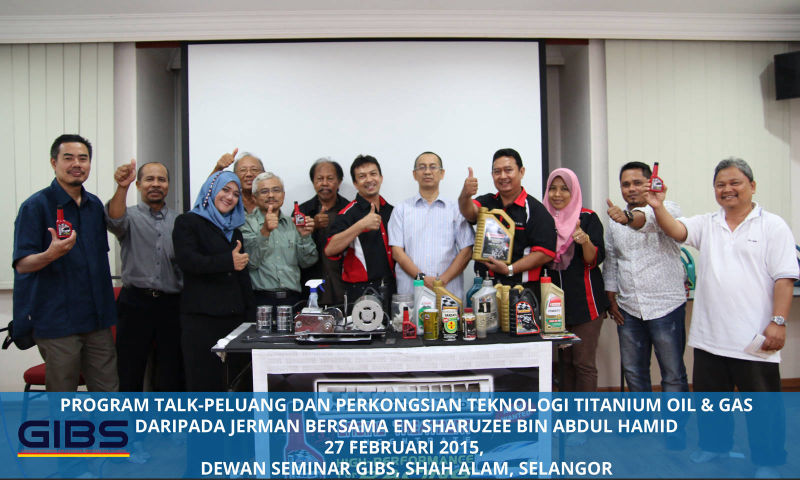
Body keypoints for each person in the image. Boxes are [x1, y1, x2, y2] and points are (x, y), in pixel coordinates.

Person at [646, 157, 798, 475]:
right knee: (711, 402)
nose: (727, 189)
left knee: (763, 408)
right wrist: (657, 206)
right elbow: (677, 230)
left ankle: (768, 461)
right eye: (720, 185)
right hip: (710, 336)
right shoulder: (708, 223)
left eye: (734, 183)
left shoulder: (772, 226)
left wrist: (778, 322)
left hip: (754, 337)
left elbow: (784, 278)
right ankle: (715, 446)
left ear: (752, 186)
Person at [12, 134, 118, 392]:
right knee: (63, 400)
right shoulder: (35, 206)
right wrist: (50, 254)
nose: (77, 164)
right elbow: (22, 264)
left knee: (109, 394)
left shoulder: (94, 205)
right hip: (57, 322)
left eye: (83, 158)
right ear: (54, 162)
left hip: (97, 320)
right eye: (68, 158)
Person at [603, 161, 689, 393]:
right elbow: (612, 260)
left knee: (672, 374)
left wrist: (627, 218)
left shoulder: (668, 209)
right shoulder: (615, 221)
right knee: (633, 372)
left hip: (666, 307)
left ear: (650, 183)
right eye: (625, 184)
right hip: (629, 308)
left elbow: (646, 219)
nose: (631, 189)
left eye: (637, 183)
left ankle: (676, 419)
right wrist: (611, 298)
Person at [106, 159, 184, 392]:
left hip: (171, 304)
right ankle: (130, 416)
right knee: (129, 370)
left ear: (168, 185)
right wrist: (122, 186)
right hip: (135, 303)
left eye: (162, 179)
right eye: (149, 179)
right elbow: (114, 220)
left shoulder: (179, 221)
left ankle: (166, 415)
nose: (156, 184)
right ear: (139, 185)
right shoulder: (129, 216)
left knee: (171, 371)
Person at [172, 171, 255, 391]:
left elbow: (242, 276)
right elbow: (188, 261)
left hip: (234, 320)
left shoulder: (234, 231)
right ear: (210, 191)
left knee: (237, 384)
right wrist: (228, 261)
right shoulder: (188, 222)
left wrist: (251, 318)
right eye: (225, 190)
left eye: (236, 194)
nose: (230, 197)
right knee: (204, 383)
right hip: (202, 319)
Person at [542, 168, 609, 393]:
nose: (557, 194)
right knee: (565, 365)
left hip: (586, 305)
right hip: (554, 307)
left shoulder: (587, 218)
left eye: (564, 189)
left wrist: (585, 241)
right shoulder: (542, 219)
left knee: (583, 364)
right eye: (553, 188)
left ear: (574, 191)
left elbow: (593, 260)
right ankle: (567, 413)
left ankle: (584, 414)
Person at [458, 148, 556, 296]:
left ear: (521, 172)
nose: (503, 176)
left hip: (522, 291)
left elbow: (545, 253)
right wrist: (465, 195)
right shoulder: (487, 201)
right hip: (486, 288)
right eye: (497, 171)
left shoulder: (535, 209)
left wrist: (510, 269)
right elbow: (469, 212)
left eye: (508, 170)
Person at [388, 151, 474, 299]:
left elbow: (466, 251)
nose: (427, 171)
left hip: (448, 292)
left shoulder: (456, 209)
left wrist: (442, 281)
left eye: (433, 167)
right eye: (422, 167)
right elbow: (397, 252)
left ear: (442, 173)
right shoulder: (401, 209)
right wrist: (422, 278)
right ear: (415, 174)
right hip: (411, 291)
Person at [324, 154, 395, 306]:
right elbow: (330, 249)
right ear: (355, 184)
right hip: (361, 291)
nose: (369, 179)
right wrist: (360, 225)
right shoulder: (347, 213)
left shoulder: (392, 211)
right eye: (362, 176)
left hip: (392, 287)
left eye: (373, 174)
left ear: (381, 178)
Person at [242, 172, 317, 311]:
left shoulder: (293, 224)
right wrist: (265, 231)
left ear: (283, 194)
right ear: (254, 197)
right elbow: (251, 263)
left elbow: (307, 262)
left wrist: (305, 237)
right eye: (264, 191)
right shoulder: (246, 223)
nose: (271, 195)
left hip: (293, 299)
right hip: (260, 300)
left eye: (276, 190)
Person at [298, 158, 350, 306]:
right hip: (311, 289)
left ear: (339, 181)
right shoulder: (302, 212)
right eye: (320, 179)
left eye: (330, 178)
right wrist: (313, 226)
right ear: (313, 182)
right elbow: (294, 250)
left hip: (344, 287)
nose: (325, 183)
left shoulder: (350, 210)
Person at [212, 149, 265, 214]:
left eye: (254, 169)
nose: (249, 174)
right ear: (235, 175)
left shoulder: (270, 199)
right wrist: (218, 168)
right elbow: (206, 195)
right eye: (243, 170)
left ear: (263, 173)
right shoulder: (227, 199)